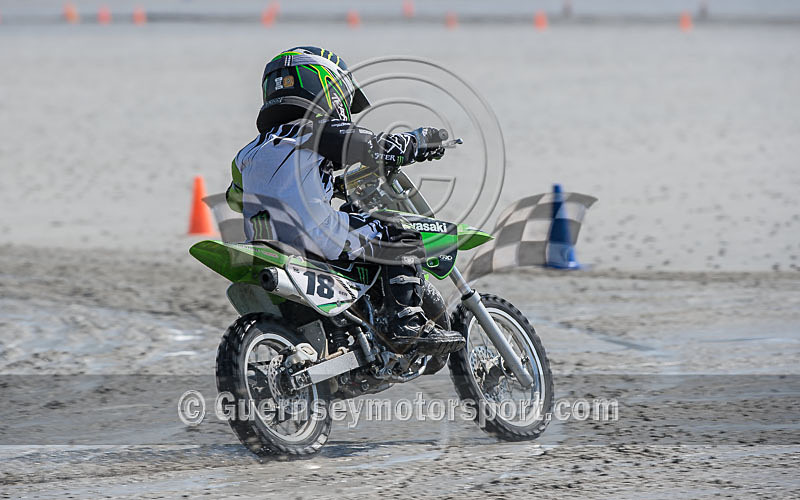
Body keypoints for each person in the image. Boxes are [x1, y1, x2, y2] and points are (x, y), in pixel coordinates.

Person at [225, 46, 463, 354]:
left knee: (357, 224)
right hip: (316, 237)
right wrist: (414, 141)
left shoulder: (248, 152)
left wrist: (326, 184)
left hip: (266, 241)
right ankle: (405, 322)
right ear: (324, 87)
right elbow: (373, 147)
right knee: (397, 231)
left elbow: (236, 197)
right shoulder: (317, 129)